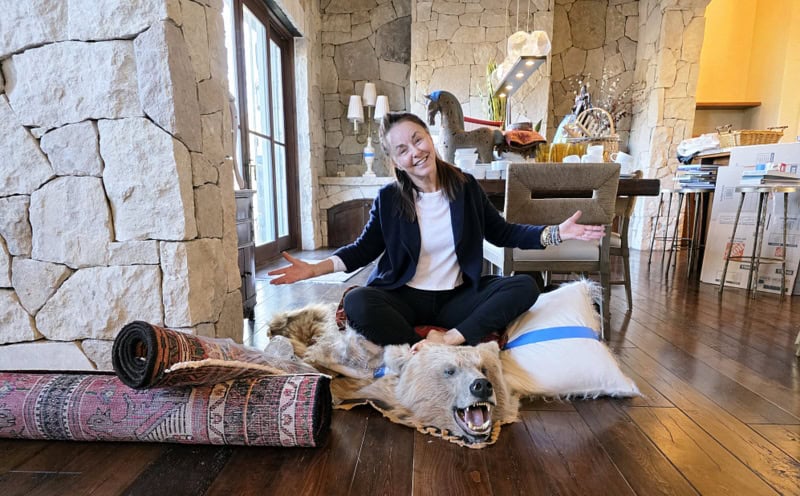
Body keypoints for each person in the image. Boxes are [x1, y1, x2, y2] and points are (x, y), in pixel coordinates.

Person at [269, 112, 606, 352]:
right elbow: (362, 250)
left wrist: (556, 233)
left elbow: (502, 233)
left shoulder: (465, 187)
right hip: (403, 296)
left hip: (456, 298)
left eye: (418, 140)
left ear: (429, 138)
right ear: (395, 161)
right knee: (358, 302)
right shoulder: (389, 199)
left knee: (525, 285)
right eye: (402, 150)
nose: (415, 152)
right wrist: (315, 269)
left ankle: (452, 339)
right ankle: (422, 344)